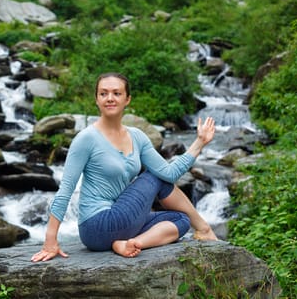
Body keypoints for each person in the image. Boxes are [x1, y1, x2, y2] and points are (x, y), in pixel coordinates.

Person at [31, 72, 218, 262]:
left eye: (116, 93)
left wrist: (200, 142)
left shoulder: (137, 136)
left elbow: (170, 173)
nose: (110, 98)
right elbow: (66, 189)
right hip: (96, 225)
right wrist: (50, 240)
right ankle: (203, 229)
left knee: (181, 220)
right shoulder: (86, 139)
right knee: (155, 177)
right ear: (96, 99)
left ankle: (131, 243)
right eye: (103, 93)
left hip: (123, 221)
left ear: (127, 99)